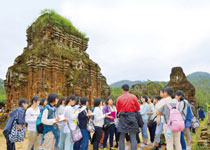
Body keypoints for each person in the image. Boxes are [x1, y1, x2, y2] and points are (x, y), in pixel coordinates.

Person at [116, 84, 140, 150]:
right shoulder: (134, 97)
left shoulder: (119, 98)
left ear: (122, 90)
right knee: (133, 136)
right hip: (132, 116)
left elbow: (118, 109)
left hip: (123, 117)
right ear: (128, 89)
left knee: (122, 135)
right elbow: (138, 108)